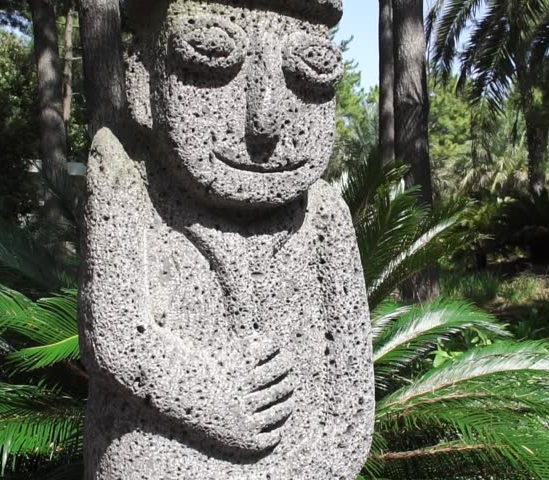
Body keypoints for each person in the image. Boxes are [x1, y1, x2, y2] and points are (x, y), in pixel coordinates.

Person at [79, 1, 374, 478]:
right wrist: (210, 393)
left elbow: (351, 388)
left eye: (310, 74)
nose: (265, 120)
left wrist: (321, 461)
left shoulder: (323, 214)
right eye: (212, 60)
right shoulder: (123, 176)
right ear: (140, 79)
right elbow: (116, 336)